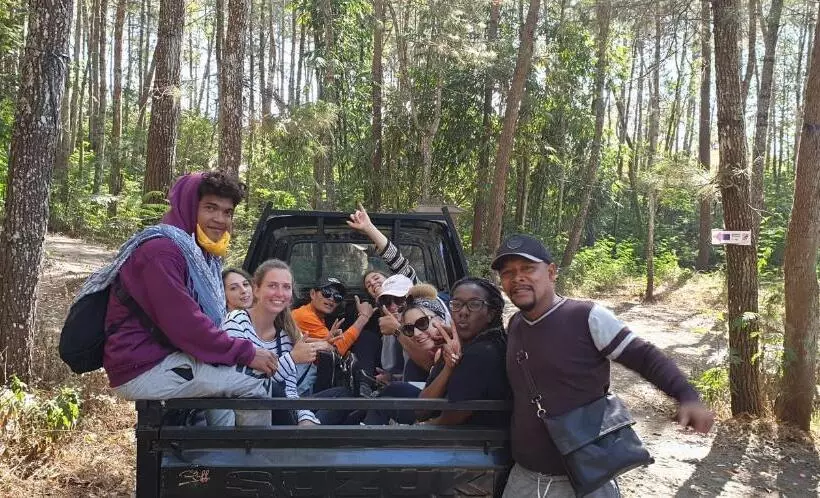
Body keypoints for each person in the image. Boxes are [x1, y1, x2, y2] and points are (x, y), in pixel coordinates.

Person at [492, 234, 715, 497]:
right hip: (526, 478)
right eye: (508, 273)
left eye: (528, 269)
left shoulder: (586, 316)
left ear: (551, 272)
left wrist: (686, 395)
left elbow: (644, 356)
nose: (517, 278)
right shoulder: (516, 324)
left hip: (586, 478)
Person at [74, 171, 281, 427]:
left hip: (164, 356)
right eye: (210, 208)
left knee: (227, 375)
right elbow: (186, 324)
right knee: (255, 379)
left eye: (227, 212)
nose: (220, 219)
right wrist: (246, 353)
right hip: (144, 365)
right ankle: (251, 465)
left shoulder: (198, 252)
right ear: (189, 206)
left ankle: (221, 457)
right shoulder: (161, 251)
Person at [364, 277, 510, 427]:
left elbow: (454, 414)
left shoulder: (483, 352)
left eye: (474, 305)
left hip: (467, 443)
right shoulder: (456, 345)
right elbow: (422, 409)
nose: (463, 312)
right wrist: (448, 365)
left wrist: (423, 428)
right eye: (457, 305)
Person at [221, 260, 337, 425]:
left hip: (284, 410)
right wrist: (292, 359)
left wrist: (305, 419)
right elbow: (245, 383)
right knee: (273, 389)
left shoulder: (284, 333)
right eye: (273, 286)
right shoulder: (236, 321)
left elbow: (290, 390)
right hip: (249, 415)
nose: (280, 293)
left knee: (342, 395)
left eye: (286, 287)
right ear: (256, 290)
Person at [292, 277, 374, 356]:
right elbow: (335, 350)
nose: (331, 299)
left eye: (337, 297)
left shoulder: (317, 316)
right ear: (313, 294)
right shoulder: (304, 316)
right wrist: (363, 318)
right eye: (326, 293)